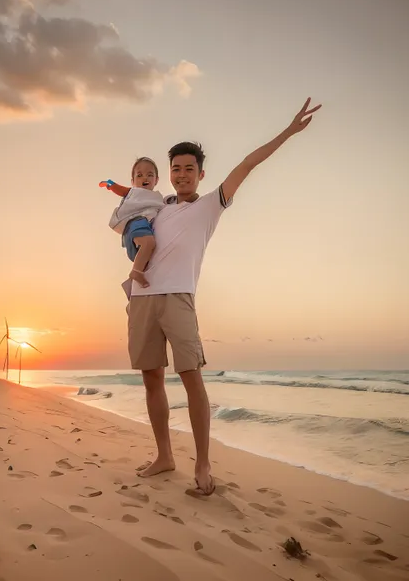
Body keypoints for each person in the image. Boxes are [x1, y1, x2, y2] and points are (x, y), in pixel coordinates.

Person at [127, 98, 321, 495]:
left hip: (179, 298)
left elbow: (248, 164)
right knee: (151, 380)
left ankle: (202, 463)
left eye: (188, 169)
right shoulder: (158, 207)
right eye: (176, 169)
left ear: (200, 174)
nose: (181, 174)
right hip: (143, 298)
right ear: (170, 174)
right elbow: (127, 225)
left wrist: (287, 131)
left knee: (191, 379)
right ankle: (164, 456)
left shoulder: (212, 204)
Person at [100, 157, 164, 288]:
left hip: (145, 226)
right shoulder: (135, 192)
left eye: (149, 175)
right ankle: (136, 272)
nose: (144, 178)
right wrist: (110, 184)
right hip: (135, 223)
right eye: (139, 175)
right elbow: (122, 190)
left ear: (156, 180)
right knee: (149, 243)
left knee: (149, 257)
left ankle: (134, 284)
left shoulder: (157, 198)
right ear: (133, 181)